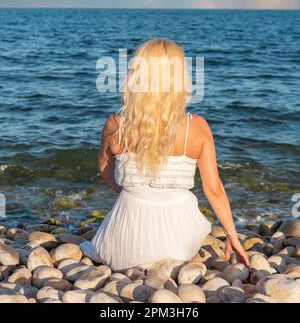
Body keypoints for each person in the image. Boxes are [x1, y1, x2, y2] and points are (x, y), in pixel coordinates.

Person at [80, 39, 249, 270]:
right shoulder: (197, 127)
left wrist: (129, 193)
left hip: (121, 247)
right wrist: (232, 236)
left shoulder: (116, 124)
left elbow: (104, 168)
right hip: (180, 244)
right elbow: (214, 189)